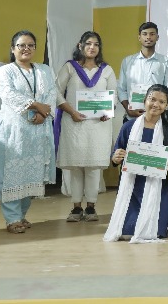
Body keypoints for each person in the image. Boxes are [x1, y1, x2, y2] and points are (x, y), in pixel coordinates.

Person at [0, 30, 57, 234]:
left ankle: (21, 214)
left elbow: (52, 92)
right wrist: (36, 105)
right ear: (13, 49)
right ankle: (11, 218)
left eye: (30, 45)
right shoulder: (5, 71)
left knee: (31, 172)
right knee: (11, 172)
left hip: (38, 129)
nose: (26, 48)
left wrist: (43, 113)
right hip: (15, 129)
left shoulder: (44, 70)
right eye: (21, 45)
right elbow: (9, 94)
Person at [103, 84, 168, 242]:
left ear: (166, 106)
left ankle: (164, 220)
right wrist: (115, 157)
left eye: (162, 102)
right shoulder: (129, 127)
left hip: (157, 187)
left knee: (155, 233)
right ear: (145, 100)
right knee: (126, 234)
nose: (156, 104)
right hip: (132, 187)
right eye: (152, 99)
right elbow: (116, 154)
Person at [55, 31, 117, 223]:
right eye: (88, 43)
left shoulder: (106, 70)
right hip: (74, 123)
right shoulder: (70, 68)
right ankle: (75, 208)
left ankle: (91, 207)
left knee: (92, 167)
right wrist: (71, 111)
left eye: (96, 44)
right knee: (76, 167)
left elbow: (112, 95)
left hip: (99, 125)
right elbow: (56, 91)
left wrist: (109, 111)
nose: (92, 47)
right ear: (80, 45)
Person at [117, 22, 168, 120]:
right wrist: (128, 109)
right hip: (131, 118)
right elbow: (121, 89)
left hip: (156, 118)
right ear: (139, 37)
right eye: (145, 34)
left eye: (152, 34)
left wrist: (158, 108)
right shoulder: (127, 61)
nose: (148, 37)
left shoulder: (165, 62)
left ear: (157, 37)